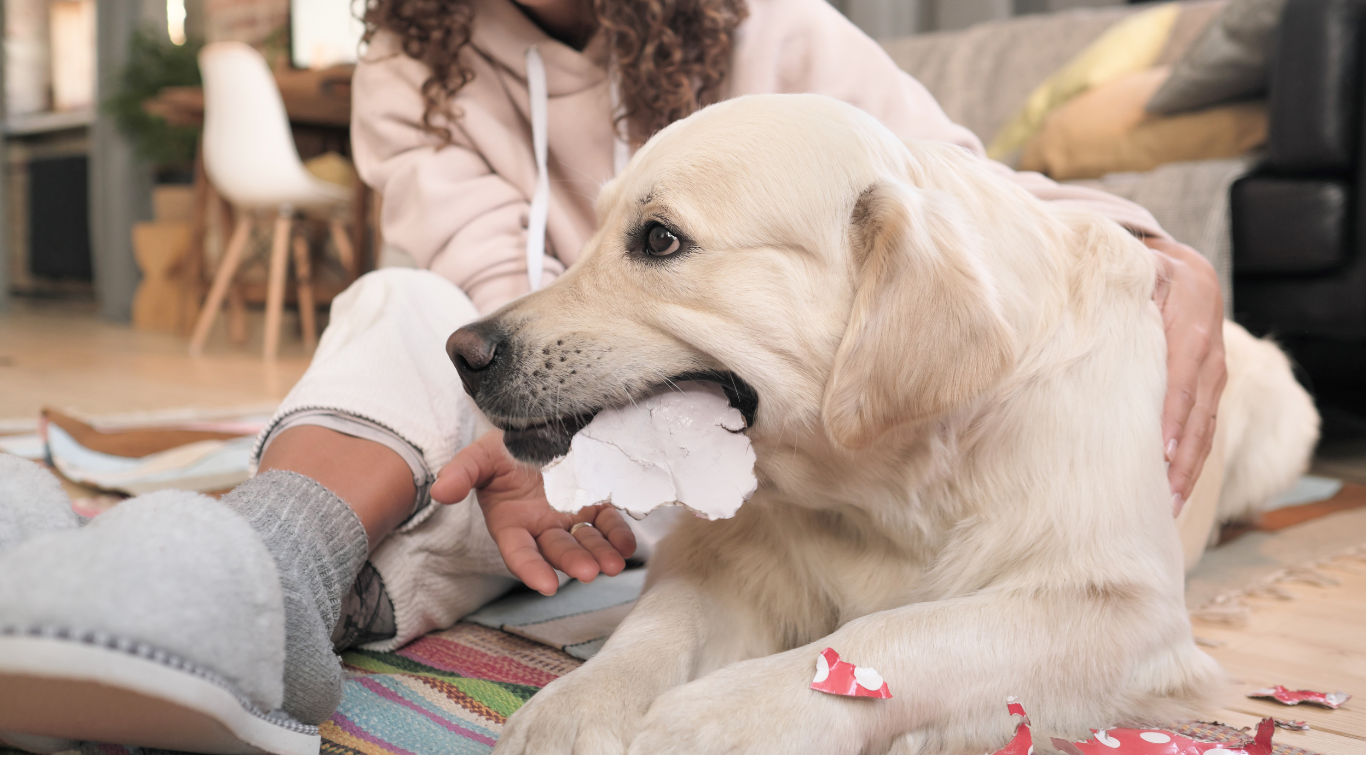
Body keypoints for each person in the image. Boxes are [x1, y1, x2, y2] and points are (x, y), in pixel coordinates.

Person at [0, 0, 1226, 751]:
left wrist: (1159, 257)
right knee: (407, 305)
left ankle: (219, 598)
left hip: (729, 443)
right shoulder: (408, 67)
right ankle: (262, 567)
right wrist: (535, 444)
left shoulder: (772, 26)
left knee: (511, 433)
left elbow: (947, 185)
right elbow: (495, 303)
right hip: (544, 407)